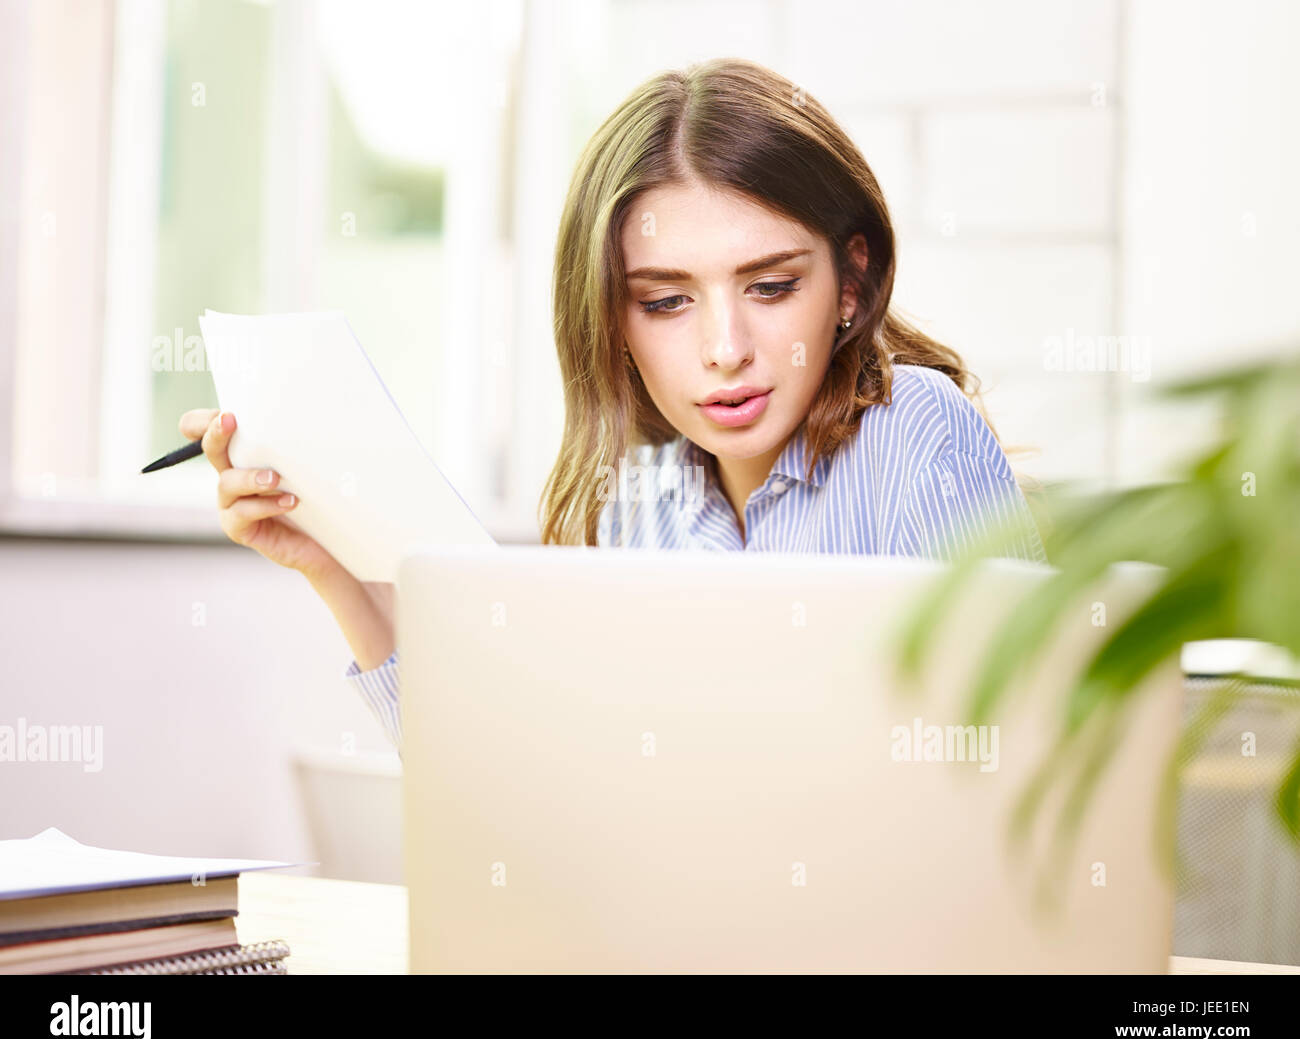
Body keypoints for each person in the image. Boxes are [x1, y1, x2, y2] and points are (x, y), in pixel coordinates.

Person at [178, 58, 1046, 754]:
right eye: (667, 301)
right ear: (612, 318)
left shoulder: (915, 434)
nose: (725, 346)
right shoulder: (641, 502)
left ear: (851, 281)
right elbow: (520, 797)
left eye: (772, 285)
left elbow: (1021, 780)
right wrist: (335, 563)